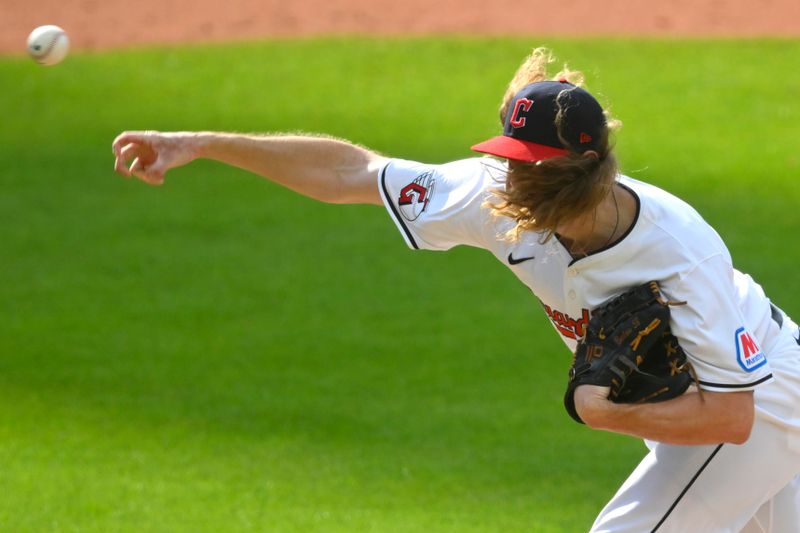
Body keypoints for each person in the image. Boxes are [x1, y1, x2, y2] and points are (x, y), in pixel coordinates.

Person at [112, 47, 800, 532]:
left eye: (536, 169)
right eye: (512, 163)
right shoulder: (497, 195)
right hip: (722, 410)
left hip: (763, 401)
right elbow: (354, 173)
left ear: (588, 168)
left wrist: (599, 410)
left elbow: (732, 416)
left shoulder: (678, 253)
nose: (517, 183)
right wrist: (197, 142)